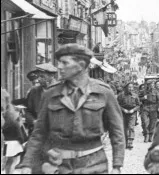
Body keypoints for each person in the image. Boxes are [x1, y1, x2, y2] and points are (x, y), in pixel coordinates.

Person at [18, 43, 125, 174]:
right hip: (59, 166)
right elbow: (39, 133)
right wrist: (26, 164)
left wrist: (117, 166)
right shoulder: (51, 94)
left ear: (80, 65)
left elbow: (117, 132)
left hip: (94, 165)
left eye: (64, 63)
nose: (59, 67)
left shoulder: (103, 92)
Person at [25, 63, 58, 135]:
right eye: (38, 76)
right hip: (36, 132)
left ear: (51, 76)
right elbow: (28, 111)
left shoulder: (60, 90)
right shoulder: (34, 91)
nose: (39, 79)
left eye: (42, 76)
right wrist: (33, 122)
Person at [117, 82, 141, 150]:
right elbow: (117, 104)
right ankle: (125, 142)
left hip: (132, 113)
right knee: (124, 128)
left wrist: (133, 110)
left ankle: (130, 142)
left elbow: (138, 105)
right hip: (123, 113)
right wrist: (123, 109)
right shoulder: (121, 95)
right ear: (126, 88)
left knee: (131, 127)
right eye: (129, 87)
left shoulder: (135, 95)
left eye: (131, 87)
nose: (130, 89)